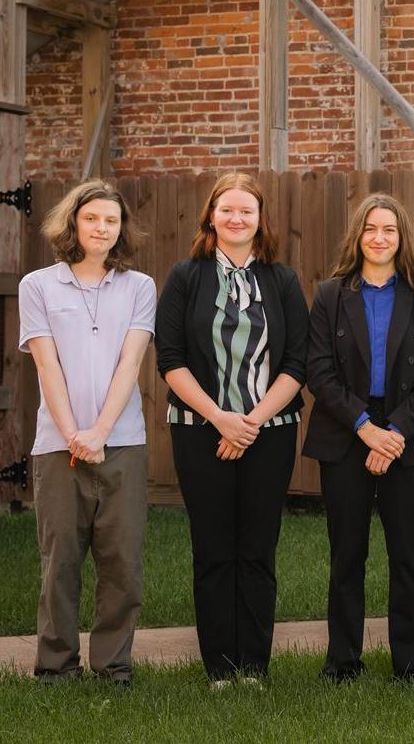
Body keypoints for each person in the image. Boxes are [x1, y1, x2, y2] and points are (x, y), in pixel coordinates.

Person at [154, 172, 309, 685]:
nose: (236, 218)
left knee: (258, 549)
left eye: (246, 211)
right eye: (227, 210)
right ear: (211, 217)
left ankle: (254, 667)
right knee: (214, 548)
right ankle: (220, 667)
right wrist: (220, 417)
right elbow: (171, 360)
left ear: (260, 220)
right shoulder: (185, 277)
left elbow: (296, 362)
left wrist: (252, 421)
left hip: (271, 430)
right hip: (199, 430)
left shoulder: (282, 280)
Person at [303, 194, 414, 682]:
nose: (379, 237)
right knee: (348, 553)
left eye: (389, 229)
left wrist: (395, 431)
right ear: (357, 236)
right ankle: (343, 661)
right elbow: (318, 371)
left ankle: (411, 663)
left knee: (408, 554)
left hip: (407, 433)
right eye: (370, 229)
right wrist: (366, 429)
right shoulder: (330, 295)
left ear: (402, 237)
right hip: (346, 430)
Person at [18, 180, 155, 685]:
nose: (102, 228)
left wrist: (99, 431)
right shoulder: (38, 286)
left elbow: (131, 364)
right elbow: (46, 368)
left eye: (112, 221)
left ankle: (113, 666)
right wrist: (75, 432)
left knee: (122, 562)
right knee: (61, 562)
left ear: (121, 230)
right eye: (92, 218)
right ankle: (56, 667)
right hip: (58, 446)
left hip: (123, 443)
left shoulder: (139, 287)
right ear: (73, 223)